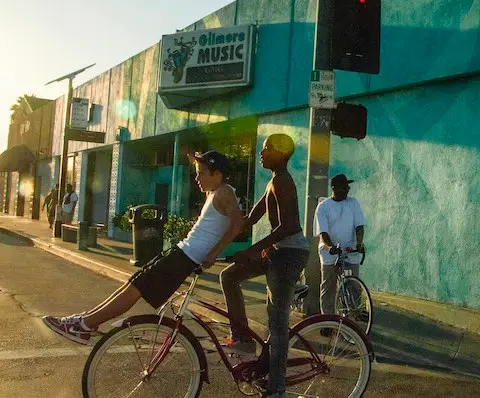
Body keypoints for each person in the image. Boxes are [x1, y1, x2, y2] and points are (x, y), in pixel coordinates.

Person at [42, 151, 244, 345]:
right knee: (135, 282)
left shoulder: (224, 192)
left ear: (217, 174)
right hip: (183, 252)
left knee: (137, 288)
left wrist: (213, 254)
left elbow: (238, 224)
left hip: (187, 257)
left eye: (201, 173)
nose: (196, 178)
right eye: (196, 172)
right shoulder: (216, 192)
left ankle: (83, 325)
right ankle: (86, 320)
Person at [219, 133, 308, 398]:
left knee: (277, 324)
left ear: (280, 154)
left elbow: (290, 226)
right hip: (278, 251)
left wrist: (252, 249)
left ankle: (276, 389)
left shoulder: (284, 182)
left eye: (267, 148)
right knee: (229, 277)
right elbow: (250, 218)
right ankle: (244, 339)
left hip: (290, 254)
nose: (261, 151)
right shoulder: (273, 181)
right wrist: (216, 240)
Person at [314, 174, 366, 316]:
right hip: (329, 251)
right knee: (328, 287)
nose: (347, 189)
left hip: (350, 250)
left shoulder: (353, 203)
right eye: (344, 187)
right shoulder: (323, 207)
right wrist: (331, 247)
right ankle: (327, 319)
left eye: (348, 186)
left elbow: (359, 226)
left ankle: (353, 316)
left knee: (354, 286)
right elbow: (323, 233)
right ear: (334, 188)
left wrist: (359, 243)